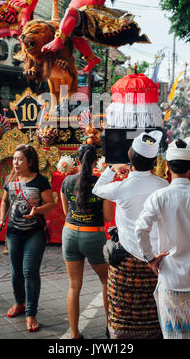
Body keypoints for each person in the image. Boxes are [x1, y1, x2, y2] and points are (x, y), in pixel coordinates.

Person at [135, 138, 190, 339]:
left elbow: (140, 229)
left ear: (169, 168)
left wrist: (150, 258)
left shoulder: (159, 197)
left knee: (173, 333)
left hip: (171, 278)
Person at [92, 131, 169, 339]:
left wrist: (112, 169)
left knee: (122, 314)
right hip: (154, 263)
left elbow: (97, 189)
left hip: (125, 263)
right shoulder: (163, 186)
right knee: (153, 311)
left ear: (129, 154)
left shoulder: (121, 187)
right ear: (154, 161)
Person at [0, 144, 55, 332]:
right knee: (15, 272)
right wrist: (1, 220)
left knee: (29, 271)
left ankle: (31, 313)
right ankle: (19, 303)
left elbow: (51, 204)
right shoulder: (10, 179)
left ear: (30, 161)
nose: (15, 162)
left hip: (34, 233)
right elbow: (4, 201)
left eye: (20, 159)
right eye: (14, 159)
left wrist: (37, 210)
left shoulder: (40, 181)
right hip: (13, 233)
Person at [60, 144, 113, 339]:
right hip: (93, 236)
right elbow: (108, 217)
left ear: (76, 161)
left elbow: (67, 213)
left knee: (74, 286)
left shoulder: (66, 181)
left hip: (70, 233)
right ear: (94, 163)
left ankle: (74, 335)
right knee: (107, 281)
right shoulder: (100, 184)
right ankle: (110, 328)